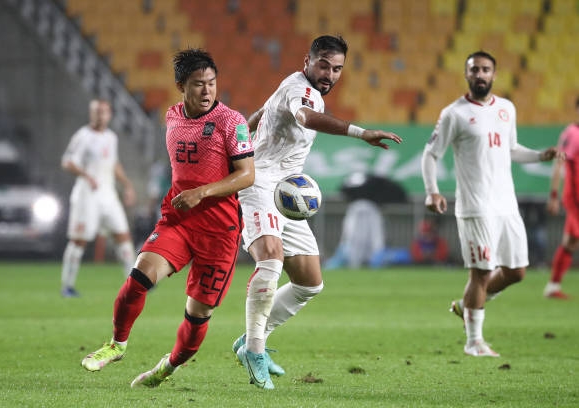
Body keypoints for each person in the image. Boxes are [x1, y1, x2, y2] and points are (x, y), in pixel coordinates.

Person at [232, 35, 402, 389]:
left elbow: (262, 113)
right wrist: (361, 132)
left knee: (309, 283)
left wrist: (239, 138)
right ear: (306, 61)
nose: (329, 73)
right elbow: (306, 117)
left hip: (285, 191)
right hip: (259, 184)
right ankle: (255, 349)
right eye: (323, 64)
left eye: (337, 68)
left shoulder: (291, 86)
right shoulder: (303, 92)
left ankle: (251, 337)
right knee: (271, 262)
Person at [80, 49, 255, 388]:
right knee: (139, 278)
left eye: (212, 84)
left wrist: (202, 192)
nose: (207, 91)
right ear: (180, 86)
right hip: (179, 220)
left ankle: (167, 367)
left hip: (220, 231)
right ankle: (116, 344)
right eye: (198, 85)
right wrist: (187, 195)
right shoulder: (172, 116)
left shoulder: (230, 122)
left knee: (198, 314)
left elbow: (247, 174)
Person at [421, 51, 561, 357]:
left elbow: (510, 148)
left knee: (517, 271)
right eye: (474, 70)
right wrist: (432, 191)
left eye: (485, 70)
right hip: (475, 206)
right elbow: (430, 154)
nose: (480, 74)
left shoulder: (506, 109)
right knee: (481, 273)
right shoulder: (454, 114)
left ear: (494, 75)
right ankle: (474, 342)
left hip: (506, 205)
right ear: (466, 74)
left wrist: (539, 155)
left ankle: (466, 305)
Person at [60, 98, 137, 298]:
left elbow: (114, 164)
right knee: (79, 241)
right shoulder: (83, 136)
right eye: (96, 111)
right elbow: (67, 162)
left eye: (103, 112)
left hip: (108, 194)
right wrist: (87, 176)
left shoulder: (111, 137)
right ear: (90, 113)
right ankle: (67, 286)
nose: (100, 115)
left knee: (123, 236)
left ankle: (134, 284)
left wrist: (127, 185)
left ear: (109, 114)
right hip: (87, 195)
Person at [544, 96, 579, 299]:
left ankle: (553, 286)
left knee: (570, 243)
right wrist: (554, 195)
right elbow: (558, 164)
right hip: (575, 197)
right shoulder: (572, 134)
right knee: (571, 241)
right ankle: (552, 285)